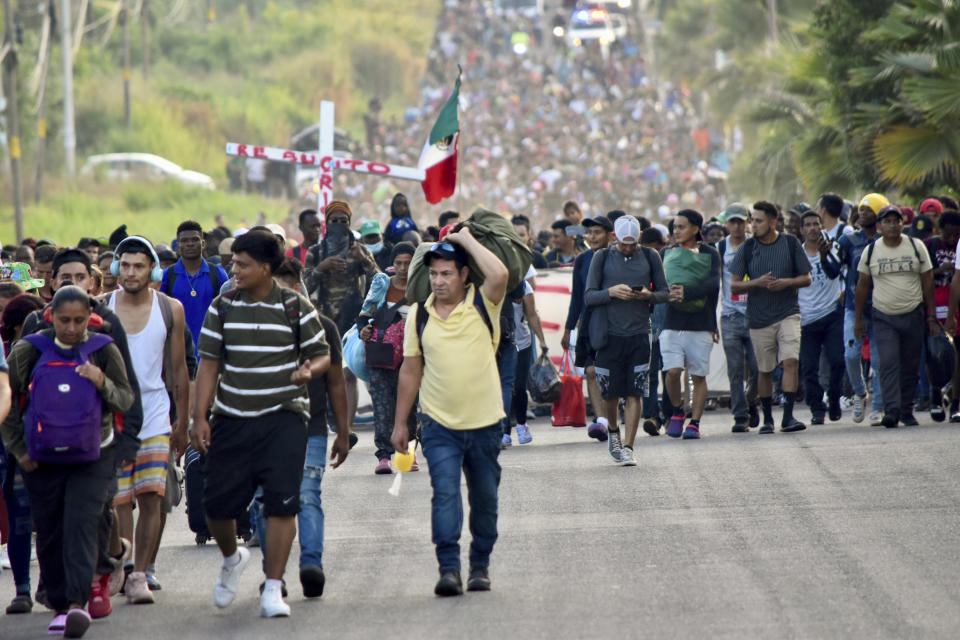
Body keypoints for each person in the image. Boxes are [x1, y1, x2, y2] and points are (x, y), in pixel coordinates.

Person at [192, 230, 332, 618]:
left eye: (242, 264)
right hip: (232, 417)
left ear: (266, 268)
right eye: (233, 263)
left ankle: (273, 586)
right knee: (217, 507)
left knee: (282, 502)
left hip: (284, 416)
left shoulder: (294, 306)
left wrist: (308, 370)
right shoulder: (223, 306)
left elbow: (322, 355)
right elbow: (209, 364)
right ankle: (231, 558)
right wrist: (198, 416)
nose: (233, 270)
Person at [2, 286, 134, 638]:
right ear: (51, 317)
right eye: (64, 321)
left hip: (94, 455)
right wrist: (20, 450)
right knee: (49, 532)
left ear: (89, 318)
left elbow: (124, 399)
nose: (72, 329)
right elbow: (8, 400)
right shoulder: (29, 349)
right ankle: (59, 604)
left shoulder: (104, 350)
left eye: (79, 321)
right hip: (41, 458)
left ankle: (77, 605)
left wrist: (101, 380)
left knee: (82, 525)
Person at [390, 229, 509, 597]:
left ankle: (480, 565)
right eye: (434, 274)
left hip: (486, 423)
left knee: (485, 499)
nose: (438, 281)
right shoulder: (419, 316)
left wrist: (466, 239)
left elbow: (501, 275)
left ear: (464, 275)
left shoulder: (484, 303)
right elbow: (411, 369)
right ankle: (449, 569)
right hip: (439, 424)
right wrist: (400, 424)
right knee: (444, 494)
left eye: (447, 273)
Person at [105, 237, 190, 605]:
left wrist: (183, 420)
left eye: (139, 266)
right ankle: (122, 569)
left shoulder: (170, 308)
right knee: (120, 501)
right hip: (114, 421)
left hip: (155, 416)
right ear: (115, 268)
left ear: (152, 270)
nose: (131, 272)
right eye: (125, 265)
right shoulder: (101, 309)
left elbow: (177, 368)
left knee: (152, 495)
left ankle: (140, 573)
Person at [261, 258, 351, 599]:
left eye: (290, 288)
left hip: (310, 428)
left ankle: (311, 564)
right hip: (263, 428)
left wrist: (343, 432)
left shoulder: (324, 326)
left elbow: (337, 383)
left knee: (307, 495)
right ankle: (274, 575)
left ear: (301, 287)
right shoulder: (253, 325)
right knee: (264, 501)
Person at [584, 215, 669, 465]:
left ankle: (629, 447)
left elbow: (663, 293)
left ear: (640, 239)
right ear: (614, 238)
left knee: (635, 392)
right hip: (609, 336)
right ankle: (613, 431)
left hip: (640, 333)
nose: (629, 248)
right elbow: (589, 296)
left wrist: (647, 295)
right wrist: (610, 292)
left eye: (633, 244)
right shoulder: (601, 257)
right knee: (610, 394)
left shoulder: (651, 256)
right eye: (624, 244)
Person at [730, 201, 812, 434]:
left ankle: (788, 416)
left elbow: (806, 278)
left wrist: (787, 282)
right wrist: (757, 283)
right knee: (764, 371)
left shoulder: (789, 243)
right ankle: (767, 418)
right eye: (752, 220)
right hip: (758, 318)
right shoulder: (747, 248)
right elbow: (734, 286)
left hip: (788, 313)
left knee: (790, 361)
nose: (752, 225)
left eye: (758, 221)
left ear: (773, 222)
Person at [855, 205, 937, 428]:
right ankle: (891, 410)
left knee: (910, 365)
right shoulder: (871, 251)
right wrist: (858, 319)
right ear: (880, 226)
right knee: (888, 362)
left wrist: (930, 316)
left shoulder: (915, 246)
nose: (892, 225)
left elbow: (928, 280)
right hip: (884, 316)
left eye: (896, 221)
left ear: (903, 224)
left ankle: (906, 409)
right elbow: (862, 286)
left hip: (913, 314)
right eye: (887, 221)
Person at [660, 209, 721, 440]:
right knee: (673, 372)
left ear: (696, 229)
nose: (676, 231)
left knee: (698, 376)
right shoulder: (666, 253)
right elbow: (659, 284)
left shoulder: (710, 253)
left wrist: (686, 292)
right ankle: (677, 411)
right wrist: (667, 294)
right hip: (672, 322)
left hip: (700, 323)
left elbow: (713, 286)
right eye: (675, 227)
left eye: (681, 227)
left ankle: (694, 423)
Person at [359, 243, 418, 473]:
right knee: (382, 408)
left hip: (411, 359)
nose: (403, 268)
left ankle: (408, 454)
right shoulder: (382, 285)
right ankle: (383, 457)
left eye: (407, 262)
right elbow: (364, 315)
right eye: (398, 263)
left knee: (410, 408)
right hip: (381, 356)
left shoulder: (421, 289)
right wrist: (364, 328)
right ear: (392, 264)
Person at [562, 215, 614, 441]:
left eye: (597, 233)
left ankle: (611, 417)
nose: (592, 237)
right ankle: (601, 421)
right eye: (590, 233)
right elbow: (576, 297)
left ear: (609, 236)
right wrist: (568, 328)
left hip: (615, 324)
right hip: (588, 324)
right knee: (591, 371)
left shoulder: (617, 257)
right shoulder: (582, 261)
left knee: (611, 374)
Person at [838, 194, 888, 425]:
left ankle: (878, 406)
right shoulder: (848, 240)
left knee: (878, 360)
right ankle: (860, 393)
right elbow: (832, 269)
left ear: (878, 214)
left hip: (879, 306)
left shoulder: (885, 240)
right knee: (851, 354)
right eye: (860, 209)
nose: (861, 214)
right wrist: (823, 253)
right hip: (852, 306)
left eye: (868, 210)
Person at [797, 210, 845, 424]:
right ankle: (817, 408)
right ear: (801, 230)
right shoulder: (796, 254)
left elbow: (835, 273)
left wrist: (824, 258)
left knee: (838, 360)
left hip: (832, 314)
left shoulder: (833, 247)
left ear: (821, 227)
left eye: (816, 224)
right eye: (807, 225)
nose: (812, 228)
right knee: (808, 368)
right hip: (806, 319)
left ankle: (834, 397)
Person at [717, 204, 760, 432]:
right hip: (730, 316)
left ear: (747, 222)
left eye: (740, 222)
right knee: (735, 369)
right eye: (732, 222)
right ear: (726, 224)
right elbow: (715, 284)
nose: (736, 226)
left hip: (755, 315)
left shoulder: (757, 245)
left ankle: (751, 399)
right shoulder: (720, 247)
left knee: (758, 367)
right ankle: (740, 416)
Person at [160, 221, 230, 358]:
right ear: (178, 246)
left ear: (203, 244)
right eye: (184, 241)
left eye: (195, 240)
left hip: (212, 354)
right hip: (178, 354)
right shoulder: (167, 276)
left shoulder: (217, 274)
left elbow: (228, 314)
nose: (190, 244)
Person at [923, 211, 960, 420]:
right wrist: (940, 270)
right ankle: (936, 395)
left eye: (957, 235)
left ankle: (955, 402)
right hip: (935, 303)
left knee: (957, 355)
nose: (953, 240)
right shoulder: (930, 246)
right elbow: (923, 275)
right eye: (949, 236)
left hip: (956, 305)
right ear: (940, 230)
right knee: (935, 353)